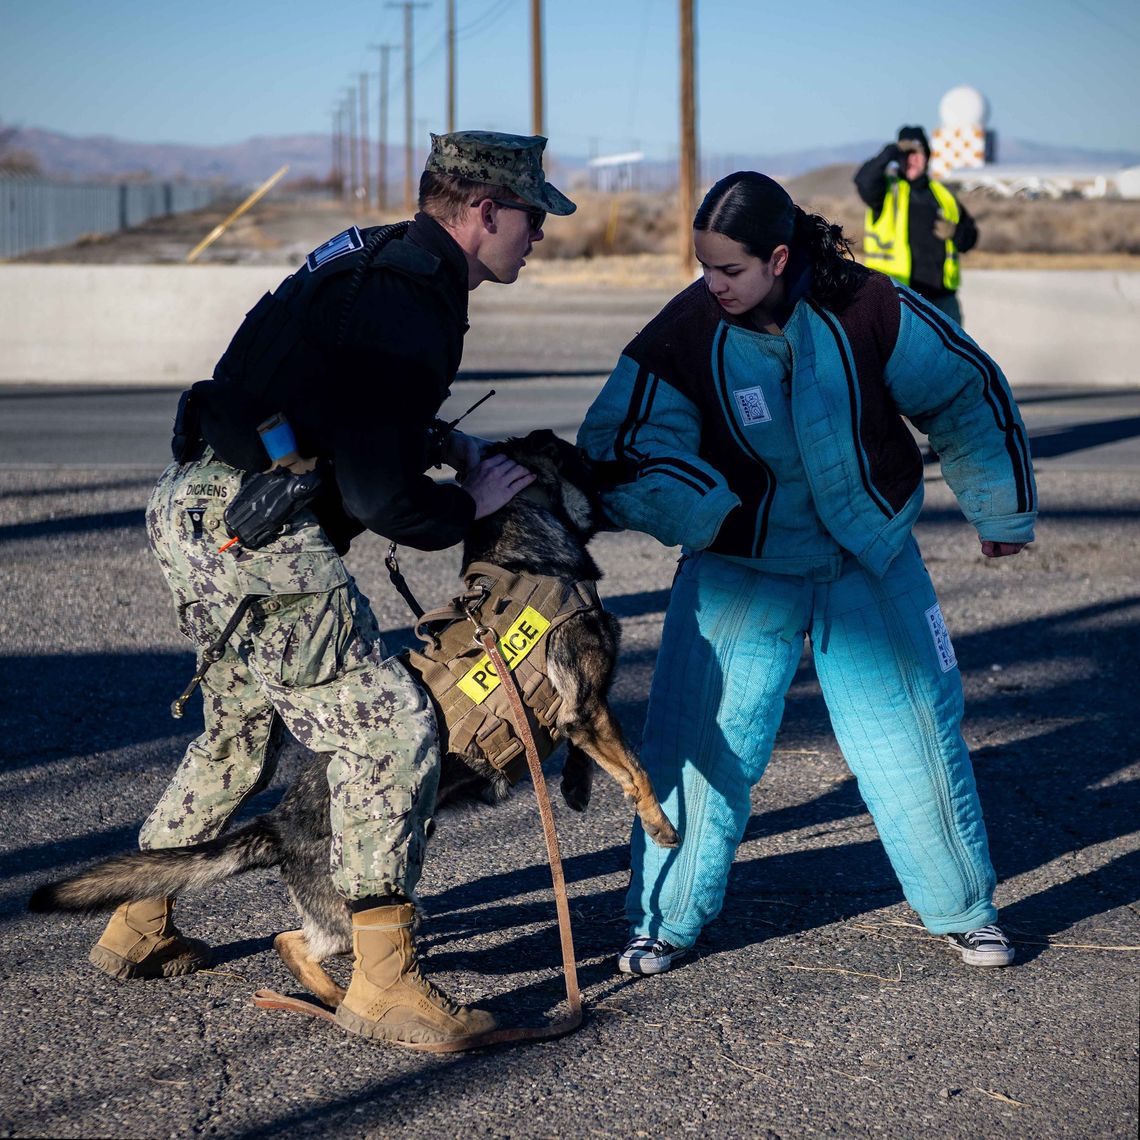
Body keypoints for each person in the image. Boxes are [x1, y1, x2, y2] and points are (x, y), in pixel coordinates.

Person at [90, 131, 576, 1046]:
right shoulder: (415, 301)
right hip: (262, 538)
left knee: (239, 736)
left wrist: (437, 440)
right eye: (532, 216)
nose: (539, 234)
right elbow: (375, 494)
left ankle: (138, 922)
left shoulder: (369, 257)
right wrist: (463, 503)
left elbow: (323, 394)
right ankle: (385, 986)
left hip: (195, 507)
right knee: (393, 731)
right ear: (483, 212)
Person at [577, 171, 1035, 977]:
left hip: (872, 560)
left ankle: (967, 913)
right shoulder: (682, 333)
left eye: (729, 270)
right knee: (694, 745)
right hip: (739, 571)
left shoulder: (870, 307)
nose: (711, 285)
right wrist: (699, 510)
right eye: (703, 267)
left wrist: (998, 513)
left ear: (780, 257)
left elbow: (967, 391)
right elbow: (620, 445)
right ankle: (661, 922)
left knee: (915, 739)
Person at [855, 125, 978, 325]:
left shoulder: (944, 196)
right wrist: (891, 150)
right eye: (906, 154)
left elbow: (971, 238)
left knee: (951, 356)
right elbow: (863, 180)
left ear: (927, 157)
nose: (912, 159)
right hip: (897, 298)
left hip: (942, 301)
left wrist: (956, 233)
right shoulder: (885, 191)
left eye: (917, 153)